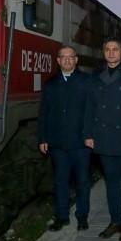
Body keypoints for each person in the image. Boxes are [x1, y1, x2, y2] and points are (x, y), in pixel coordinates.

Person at [84, 38, 121, 241]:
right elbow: (89, 107)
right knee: (112, 184)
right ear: (103, 52)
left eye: (115, 49)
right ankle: (115, 221)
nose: (111, 52)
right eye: (108, 49)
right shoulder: (95, 75)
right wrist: (88, 134)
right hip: (104, 138)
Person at [37, 45, 92, 231]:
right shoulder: (51, 84)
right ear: (58, 61)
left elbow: (92, 113)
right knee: (61, 181)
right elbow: (44, 112)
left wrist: (90, 135)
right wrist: (43, 138)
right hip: (57, 143)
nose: (67, 60)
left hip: (81, 143)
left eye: (71, 57)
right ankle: (62, 216)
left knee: (83, 181)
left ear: (76, 60)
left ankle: (82, 215)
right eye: (63, 57)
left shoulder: (86, 81)